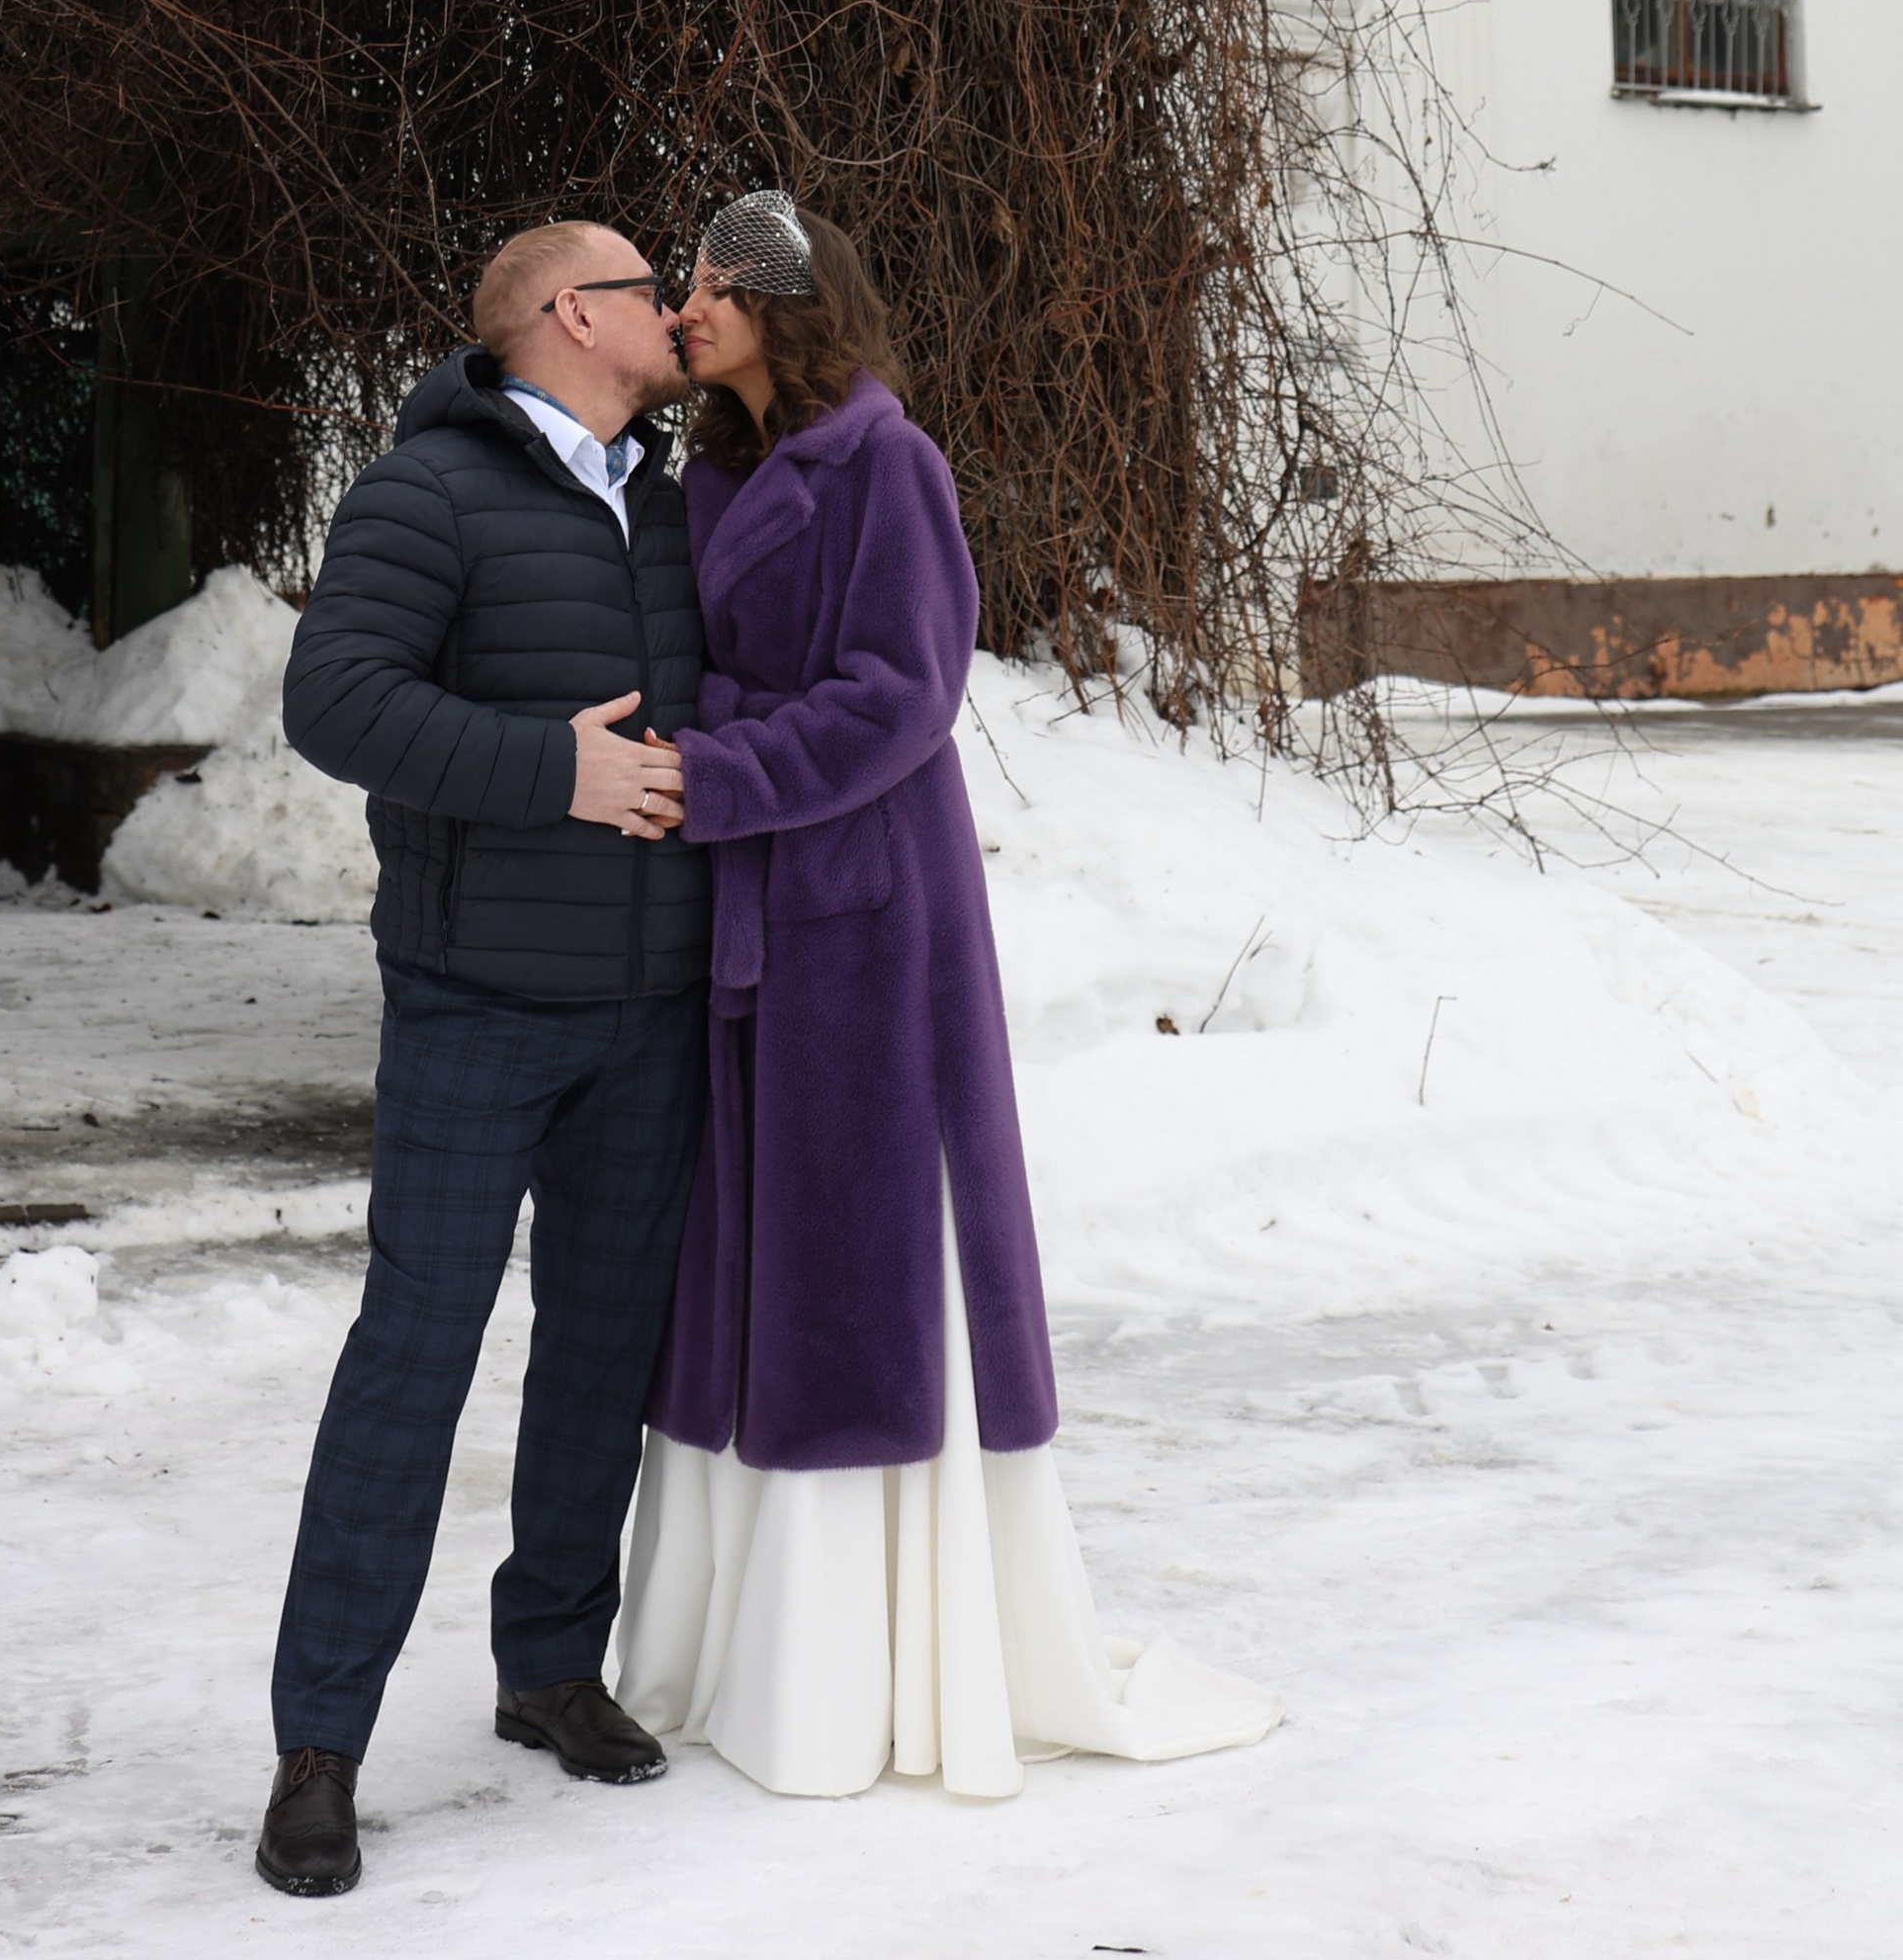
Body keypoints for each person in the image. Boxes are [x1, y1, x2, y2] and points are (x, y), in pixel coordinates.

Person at [613, 189, 1280, 1801]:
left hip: (867, 913)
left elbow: (903, 694)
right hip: (754, 900)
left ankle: (872, 1662)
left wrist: (711, 776)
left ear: (786, 304)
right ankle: (741, 1635)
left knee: (864, 1240)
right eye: (684, 281)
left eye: (712, 283)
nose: (684, 302)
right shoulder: (714, 474)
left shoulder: (885, 465)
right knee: (753, 1243)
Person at [256, 218, 706, 1900]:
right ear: (571, 315)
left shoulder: (673, 494)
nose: (675, 310)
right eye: (650, 286)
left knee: (601, 1351)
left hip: (648, 1009)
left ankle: (548, 1668)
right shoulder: (423, 493)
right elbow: (336, 701)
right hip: (476, 1003)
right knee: (413, 1358)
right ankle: (320, 1747)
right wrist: (553, 773)